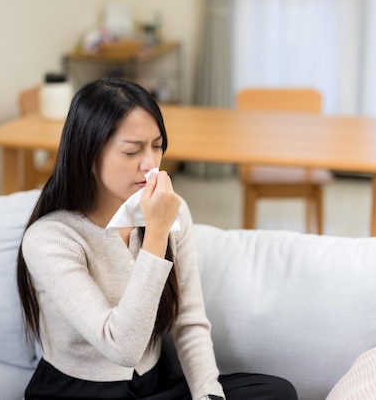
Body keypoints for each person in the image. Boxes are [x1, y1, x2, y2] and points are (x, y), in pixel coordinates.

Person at [16, 78, 298, 400]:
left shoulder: (172, 211)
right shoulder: (50, 239)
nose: (150, 164)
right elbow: (122, 348)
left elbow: (189, 321)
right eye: (132, 150)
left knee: (276, 392)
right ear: (89, 157)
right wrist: (157, 233)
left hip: (154, 386)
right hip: (78, 392)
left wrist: (208, 394)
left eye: (157, 146)